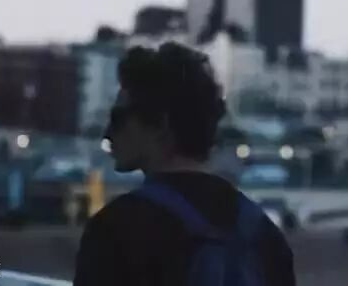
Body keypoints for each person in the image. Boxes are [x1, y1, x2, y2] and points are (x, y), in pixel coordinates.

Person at [73, 42, 295, 286]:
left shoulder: (116, 229)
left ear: (160, 124)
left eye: (118, 118)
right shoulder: (263, 234)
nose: (108, 133)